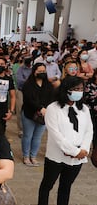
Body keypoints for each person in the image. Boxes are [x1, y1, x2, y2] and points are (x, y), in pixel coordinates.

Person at [38, 76, 93, 205]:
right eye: (75, 89)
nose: (79, 92)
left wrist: (83, 149)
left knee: (66, 187)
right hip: (56, 156)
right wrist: (73, 151)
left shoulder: (84, 109)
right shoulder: (53, 108)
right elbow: (55, 134)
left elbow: (89, 130)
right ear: (66, 90)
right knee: (47, 185)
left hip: (77, 157)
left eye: (81, 89)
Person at [21, 63, 55, 166]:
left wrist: (45, 109)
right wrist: (40, 108)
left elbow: (51, 98)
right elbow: (28, 100)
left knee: (37, 137)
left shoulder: (48, 85)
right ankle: (26, 156)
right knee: (28, 136)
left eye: (43, 71)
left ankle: (33, 156)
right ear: (34, 72)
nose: (42, 73)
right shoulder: (28, 84)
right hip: (29, 113)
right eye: (39, 71)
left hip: (44, 115)